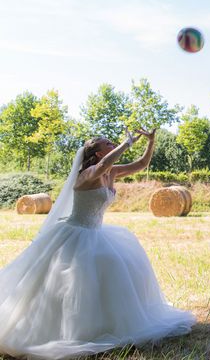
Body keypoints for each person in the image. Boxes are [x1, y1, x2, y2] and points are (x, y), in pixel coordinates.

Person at [0, 128, 195, 359]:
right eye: (108, 144)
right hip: (76, 234)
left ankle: (110, 324)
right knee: (72, 282)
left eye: (113, 143)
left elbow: (141, 164)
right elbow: (102, 166)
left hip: (97, 231)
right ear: (94, 153)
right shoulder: (88, 174)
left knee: (120, 266)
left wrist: (151, 142)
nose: (112, 145)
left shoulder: (110, 172)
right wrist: (126, 144)